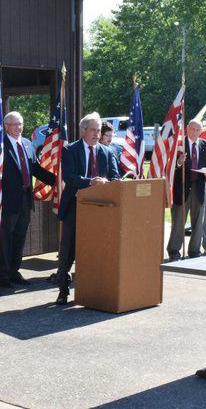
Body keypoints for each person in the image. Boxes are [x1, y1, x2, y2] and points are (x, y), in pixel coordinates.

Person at [55, 112, 120, 305]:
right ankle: (63, 289)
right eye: (93, 130)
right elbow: (69, 177)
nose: (96, 134)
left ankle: (95, 289)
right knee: (68, 249)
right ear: (83, 130)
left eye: (99, 130)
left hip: (101, 208)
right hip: (75, 205)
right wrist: (90, 182)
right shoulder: (70, 150)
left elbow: (116, 177)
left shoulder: (107, 152)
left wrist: (107, 182)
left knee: (98, 246)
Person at [0, 112, 56, 287]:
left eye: (21, 124)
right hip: (7, 200)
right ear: (6, 126)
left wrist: (56, 181)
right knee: (5, 239)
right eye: (15, 124)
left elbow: (35, 169)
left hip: (25, 199)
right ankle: (2, 276)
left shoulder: (28, 144)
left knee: (19, 237)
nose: (19, 128)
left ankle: (14, 272)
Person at [169, 120, 206, 259]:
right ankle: (174, 251)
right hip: (181, 188)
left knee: (198, 221)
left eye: (197, 130)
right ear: (187, 129)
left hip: (199, 188)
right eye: (192, 129)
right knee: (179, 221)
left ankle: (194, 251)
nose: (194, 132)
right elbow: (170, 168)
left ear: (201, 131)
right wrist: (179, 162)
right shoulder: (179, 145)